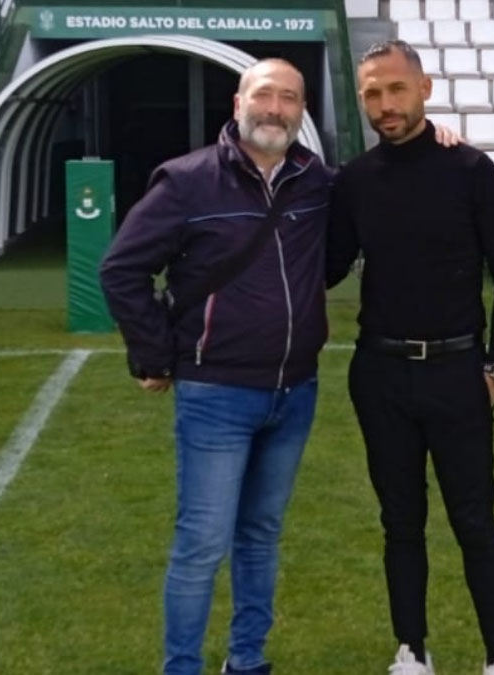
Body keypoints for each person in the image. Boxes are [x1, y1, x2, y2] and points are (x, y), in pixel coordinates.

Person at [99, 59, 329, 675]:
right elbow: (121, 270)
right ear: (237, 102)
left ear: (302, 111)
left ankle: (247, 661)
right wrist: (153, 354)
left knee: (260, 538)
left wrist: (443, 137)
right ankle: (182, 667)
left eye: (289, 98)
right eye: (264, 95)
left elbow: (394, 184)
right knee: (201, 545)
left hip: (295, 391)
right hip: (216, 396)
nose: (274, 108)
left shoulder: (318, 182)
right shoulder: (186, 182)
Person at [326, 41, 494, 675]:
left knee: (474, 518)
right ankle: (411, 651)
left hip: (457, 371)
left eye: (396, 89)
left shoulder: (470, 169)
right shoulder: (355, 180)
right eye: (372, 94)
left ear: (424, 88)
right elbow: (329, 268)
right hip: (380, 373)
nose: (385, 104)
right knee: (400, 521)